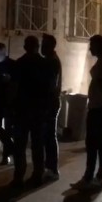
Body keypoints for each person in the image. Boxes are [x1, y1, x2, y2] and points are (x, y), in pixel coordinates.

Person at [71, 35, 102, 191]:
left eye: (92, 45)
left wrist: (98, 82)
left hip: (99, 107)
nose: (90, 48)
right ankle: (96, 176)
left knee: (94, 144)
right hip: (100, 107)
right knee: (98, 144)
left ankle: (92, 177)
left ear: (98, 46)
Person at [10, 36, 49, 188]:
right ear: (37, 47)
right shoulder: (44, 64)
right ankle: (38, 174)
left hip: (22, 108)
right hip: (38, 109)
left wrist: (11, 105)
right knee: (37, 143)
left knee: (20, 144)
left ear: (25, 47)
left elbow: (14, 87)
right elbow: (49, 87)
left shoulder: (20, 63)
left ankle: (19, 175)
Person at [41, 33, 63, 181]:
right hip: (50, 102)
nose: (42, 47)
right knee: (48, 136)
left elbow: (50, 84)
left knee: (49, 136)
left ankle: (53, 168)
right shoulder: (51, 60)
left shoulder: (52, 62)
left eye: (44, 45)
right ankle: (50, 167)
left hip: (50, 102)